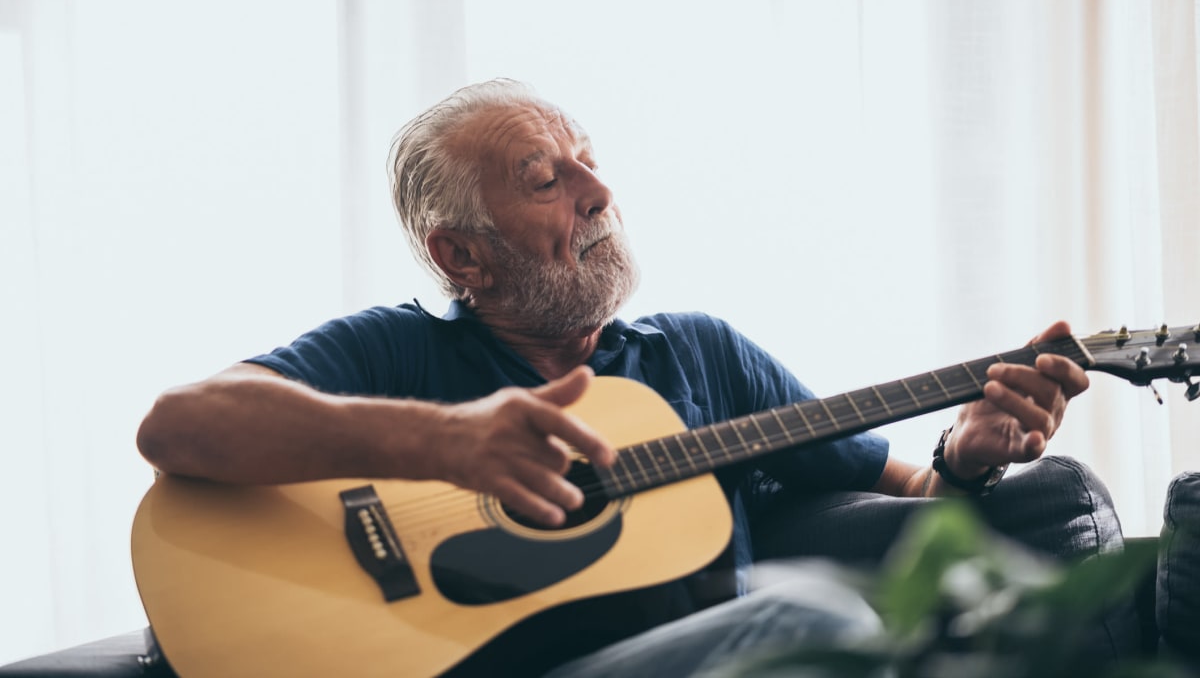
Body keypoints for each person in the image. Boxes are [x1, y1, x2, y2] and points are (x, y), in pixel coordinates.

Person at [136, 78, 1092, 677]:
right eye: (544, 179)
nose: (598, 194)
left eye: (588, 162)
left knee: (815, 618)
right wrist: (446, 441)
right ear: (462, 257)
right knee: (809, 618)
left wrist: (968, 456)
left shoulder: (698, 355)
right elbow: (178, 427)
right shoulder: (399, 352)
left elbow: (918, 494)